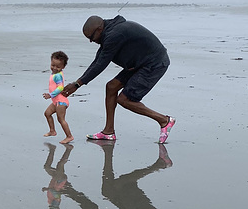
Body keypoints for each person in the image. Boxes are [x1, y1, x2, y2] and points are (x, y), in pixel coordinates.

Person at [62, 15, 175, 143]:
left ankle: (164, 120)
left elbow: (101, 64)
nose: (91, 41)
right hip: (139, 63)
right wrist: (77, 82)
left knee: (124, 100)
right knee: (111, 87)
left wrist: (77, 84)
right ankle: (108, 132)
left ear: (99, 29)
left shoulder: (115, 35)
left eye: (91, 37)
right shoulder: (109, 33)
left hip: (154, 63)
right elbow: (97, 60)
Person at [43, 51, 74, 144]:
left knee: (61, 119)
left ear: (63, 67)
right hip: (56, 101)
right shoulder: (54, 74)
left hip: (61, 101)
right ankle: (52, 131)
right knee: (47, 113)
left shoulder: (58, 76)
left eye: (58, 67)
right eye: (53, 65)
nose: (55, 68)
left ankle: (69, 136)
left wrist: (50, 95)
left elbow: (60, 88)